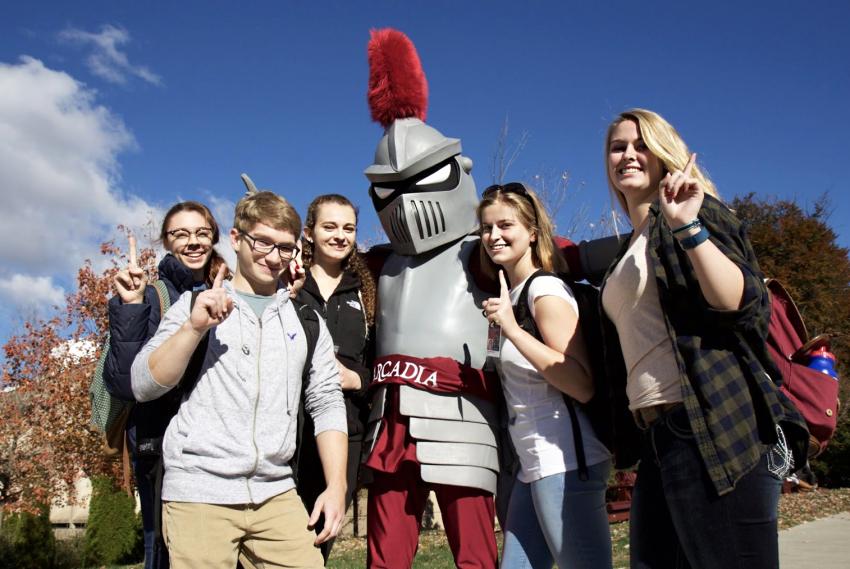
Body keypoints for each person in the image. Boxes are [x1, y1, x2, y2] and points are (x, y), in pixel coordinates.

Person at [599, 108, 806, 568]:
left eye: (641, 145)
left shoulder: (694, 212)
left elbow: (746, 304)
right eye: (618, 147)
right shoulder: (626, 248)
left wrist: (687, 227)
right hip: (658, 434)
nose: (628, 155)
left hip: (714, 422)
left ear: (664, 154)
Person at [130, 191, 348, 569]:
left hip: (276, 493)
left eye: (285, 247)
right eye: (262, 242)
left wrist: (337, 486)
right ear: (235, 239)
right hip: (199, 492)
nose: (273, 256)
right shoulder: (194, 304)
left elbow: (326, 400)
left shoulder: (307, 320)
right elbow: (143, 384)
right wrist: (194, 329)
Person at [479, 183, 613, 569]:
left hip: (567, 461)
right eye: (486, 228)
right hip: (532, 464)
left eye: (506, 225)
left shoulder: (545, 290)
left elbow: (580, 381)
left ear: (533, 232)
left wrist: (514, 330)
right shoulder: (514, 293)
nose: (493, 236)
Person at [104, 200, 229, 569]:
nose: (193, 242)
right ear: (166, 242)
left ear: (215, 238)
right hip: (159, 443)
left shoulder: (230, 290)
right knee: (163, 549)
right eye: (181, 234)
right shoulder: (152, 294)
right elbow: (126, 382)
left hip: (216, 443)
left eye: (202, 233)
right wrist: (130, 306)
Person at [295, 194, 375, 562]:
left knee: (317, 543)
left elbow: (381, 363)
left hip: (346, 429)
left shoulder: (368, 289)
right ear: (309, 232)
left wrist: (355, 379)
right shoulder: (288, 282)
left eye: (349, 228)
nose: (340, 235)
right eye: (329, 226)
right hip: (289, 430)